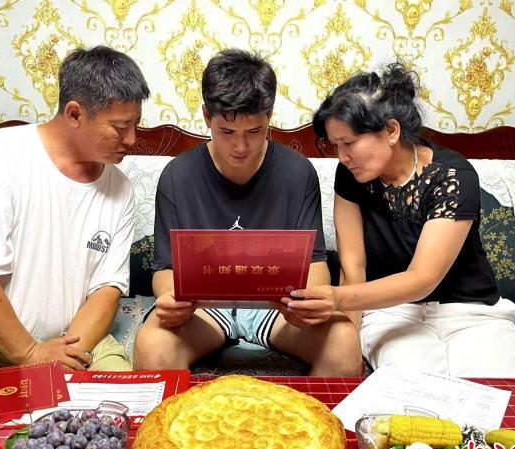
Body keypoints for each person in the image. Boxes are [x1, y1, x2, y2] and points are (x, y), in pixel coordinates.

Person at [0, 46, 150, 378]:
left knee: (122, 401)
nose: (132, 139)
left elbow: (106, 288)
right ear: (75, 114)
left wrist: (64, 354)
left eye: (136, 125)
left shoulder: (120, 188)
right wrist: (30, 353)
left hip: (70, 339)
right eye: (120, 127)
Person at [282, 63, 515, 377]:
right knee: (410, 387)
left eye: (349, 143)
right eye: (335, 146)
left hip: (470, 312)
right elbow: (353, 267)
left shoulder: (453, 176)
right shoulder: (350, 176)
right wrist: (348, 344)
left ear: (391, 131)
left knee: (495, 385)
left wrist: (337, 299)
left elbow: (423, 278)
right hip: (390, 312)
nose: (342, 157)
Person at [134, 49, 361, 376]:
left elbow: (315, 265)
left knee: (343, 340)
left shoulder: (298, 173)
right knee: (152, 344)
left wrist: (304, 304)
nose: (240, 147)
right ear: (206, 116)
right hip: (205, 309)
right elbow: (165, 268)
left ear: (269, 117)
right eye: (227, 133)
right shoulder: (177, 176)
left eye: (254, 132)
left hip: (277, 309)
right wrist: (172, 300)